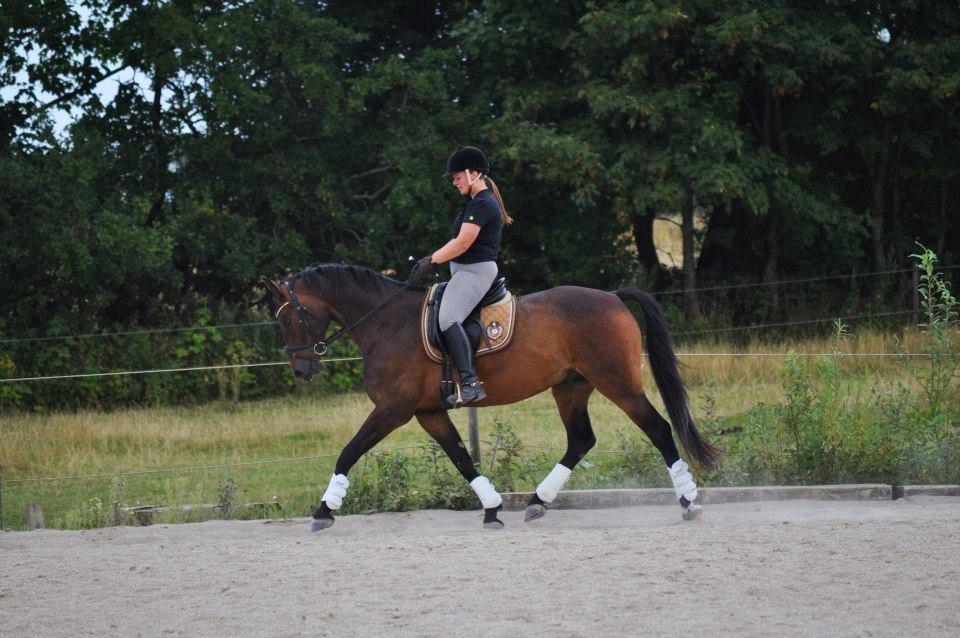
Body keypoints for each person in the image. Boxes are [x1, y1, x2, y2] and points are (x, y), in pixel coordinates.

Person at [412, 146, 512, 407]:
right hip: (464, 271)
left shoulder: (483, 203)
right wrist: (432, 258)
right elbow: (456, 240)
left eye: (457, 177)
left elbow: (463, 244)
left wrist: (432, 259)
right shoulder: (474, 204)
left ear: (474, 174)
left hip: (476, 271)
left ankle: (470, 384)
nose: (454, 182)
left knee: (447, 318)